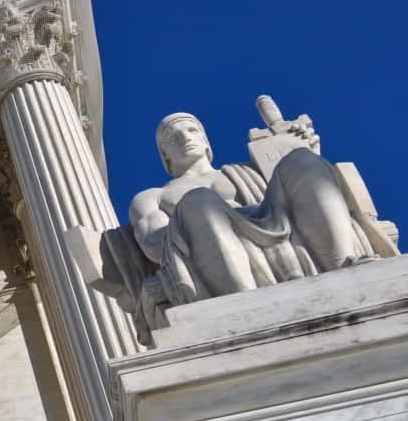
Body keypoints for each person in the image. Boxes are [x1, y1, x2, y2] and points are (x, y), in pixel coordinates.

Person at [128, 112, 366, 305]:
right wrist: (223, 217)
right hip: (208, 240)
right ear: (165, 156)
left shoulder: (249, 172)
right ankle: (245, 303)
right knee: (198, 201)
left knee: (302, 160)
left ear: (205, 141)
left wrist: (308, 152)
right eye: (172, 137)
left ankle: (345, 265)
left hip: (274, 221)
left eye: (191, 130)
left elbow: (300, 200)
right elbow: (156, 244)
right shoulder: (153, 197)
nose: (184, 138)